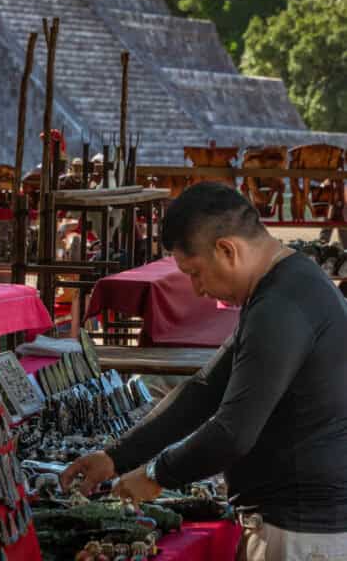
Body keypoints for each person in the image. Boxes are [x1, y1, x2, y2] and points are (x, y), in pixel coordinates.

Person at [61, 182, 347, 561]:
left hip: (298, 533)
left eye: (195, 272)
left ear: (226, 250)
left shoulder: (280, 307)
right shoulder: (286, 286)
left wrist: (155, 476)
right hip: (295, 522)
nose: (198, 289)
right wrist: (116, 457)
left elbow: (232, 433)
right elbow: (204, 388)